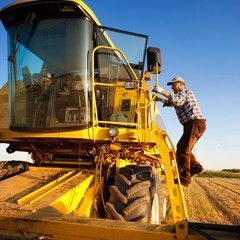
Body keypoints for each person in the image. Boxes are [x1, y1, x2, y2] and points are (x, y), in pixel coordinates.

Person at [152, 76, 206, 187]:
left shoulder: (185, 91)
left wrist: (161, 91)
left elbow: (177, 101)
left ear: (181, 84)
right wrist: (159, 99)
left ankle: (185, 179)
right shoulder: (180, 94)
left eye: (173, 84)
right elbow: (172, 103)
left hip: (194, 123)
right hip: (192, 125)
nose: (172, 87)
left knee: (184, 150)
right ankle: (196, 167)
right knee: (181, 147)